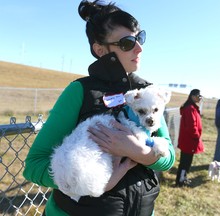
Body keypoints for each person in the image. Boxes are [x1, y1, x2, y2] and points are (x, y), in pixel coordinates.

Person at [23, 1, 175, 215]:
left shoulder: (149, 93)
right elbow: (34, 165)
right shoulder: (80, 91)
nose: (139, 48)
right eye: (127, 43)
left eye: (140, 38)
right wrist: (83, 182)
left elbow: (168, 157)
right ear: (100, 49)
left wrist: (140, 152)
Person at [175, 89, 204, 187]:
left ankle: (183, 178)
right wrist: (196, 136)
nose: (200, 98)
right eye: (199, 96)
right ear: (193, 96)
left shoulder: (191, 108)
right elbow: (192, 126)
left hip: (189, 140)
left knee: (186, 161)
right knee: (185, 162)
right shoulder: (190, 109)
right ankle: (180, 181)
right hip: (189, 140)